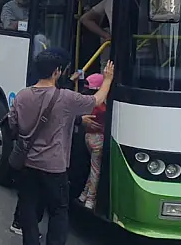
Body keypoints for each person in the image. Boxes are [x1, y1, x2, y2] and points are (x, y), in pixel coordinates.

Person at [9, 50, 114, 245]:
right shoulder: (66, 98)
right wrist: (107, 79)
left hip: (27, 164)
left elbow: (13, 125)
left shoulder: (22, 95)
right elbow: (96, 100)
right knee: (58, 211)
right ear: (56, 72)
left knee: (29, 208)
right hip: (54, 167)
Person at [78, 73, 107, 210]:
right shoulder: (102, 108)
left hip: (88, 138)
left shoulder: (85, 104)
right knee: (96, 171)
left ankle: (84, 194)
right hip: (98, 140)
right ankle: (90, 199)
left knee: (92, 169)